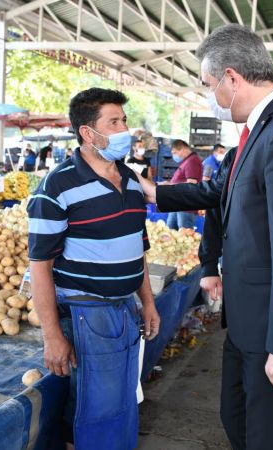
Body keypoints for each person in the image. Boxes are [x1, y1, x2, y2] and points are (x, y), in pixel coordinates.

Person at [137, 24, 273, 449]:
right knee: (236, 416)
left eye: (210, 85)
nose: (210, 97)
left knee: (265, 432)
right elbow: (220, 193)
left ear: (232, 78)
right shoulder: (260, 132)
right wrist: (152, 191)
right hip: (251, 315)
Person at [27, 87, 160, 449]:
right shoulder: (57, 186)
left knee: (121, 400)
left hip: (125, 310)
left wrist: (147, 301)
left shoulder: (132, 180)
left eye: (124, 120)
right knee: (92, 406)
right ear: (88, 133)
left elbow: (138, 246)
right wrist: (52, 335)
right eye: (114, 122)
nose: (125, 129)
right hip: (87, 313)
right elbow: (40, 266)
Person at [165, 139, 203, 230]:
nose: (174, 156)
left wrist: (172, 186)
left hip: (186, 205)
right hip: (177, 203)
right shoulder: (187, 161)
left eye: (175, 152)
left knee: (185, 234)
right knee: (170, 231)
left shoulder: (192, 161)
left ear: (183, 149)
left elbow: (192, 183)